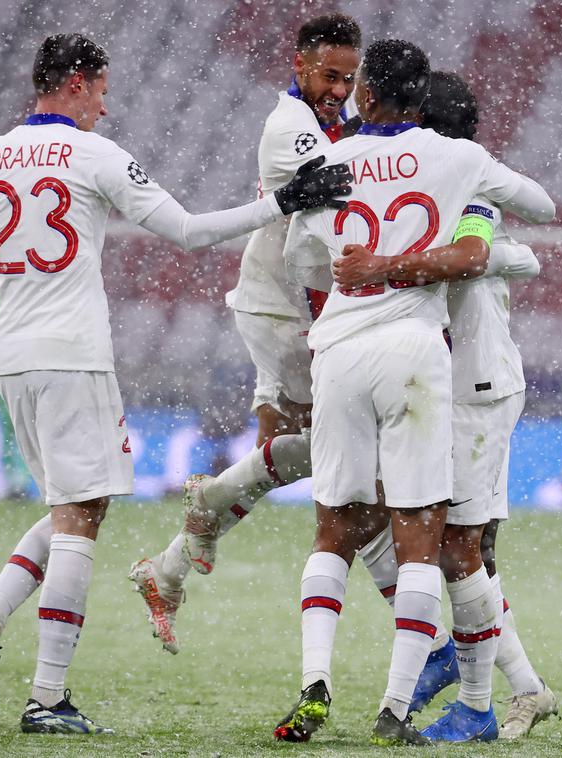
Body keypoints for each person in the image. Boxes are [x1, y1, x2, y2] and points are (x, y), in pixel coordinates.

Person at [0, 33, 351, 735]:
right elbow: (193, 232)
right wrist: (283, 200)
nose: (106, 109)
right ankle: (47, 698)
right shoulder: (93, 155)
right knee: (83, 517)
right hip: (74, 355)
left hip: (13, 359)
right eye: (102, 92)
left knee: (72, 505)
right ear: (76, 84)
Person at [275, 39, 555, 746]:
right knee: (435, 543)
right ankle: (475, 691)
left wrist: (373, 265)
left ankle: (479, 699)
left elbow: (476, 256)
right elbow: (535, 217)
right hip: (429, 371)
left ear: (369, 94)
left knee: (433, 542)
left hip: (464, 383)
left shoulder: (454, 190)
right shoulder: (454, 172)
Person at [128, 11, 362, 656]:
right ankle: (208, 505)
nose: (339, 88)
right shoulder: (291, 126)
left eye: (349, 76)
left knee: (309, 457)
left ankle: (169, 567)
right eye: (329, 75)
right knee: (349, 460)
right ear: (299, 67)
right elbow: (325, 227)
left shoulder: (328, 121)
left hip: (286, 305)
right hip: (290, 312)